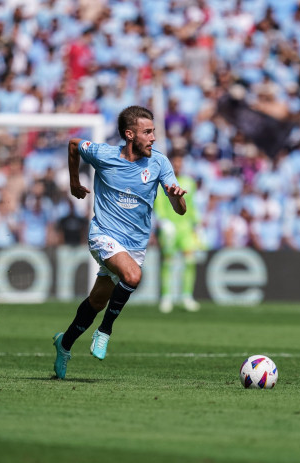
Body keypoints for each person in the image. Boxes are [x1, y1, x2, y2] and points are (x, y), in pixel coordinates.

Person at [52, 106, 188, 379]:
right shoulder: (104, 155)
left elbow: (181, 209)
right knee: (133, 276)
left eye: (153, 131)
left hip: (134, 245)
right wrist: (74, 183)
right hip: (103, 235)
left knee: (97, 300)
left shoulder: (159, 163)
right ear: (129, 134)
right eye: (147, 132)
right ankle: (105, 331)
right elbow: (74, 144)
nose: (153, 137)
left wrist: (175, 196)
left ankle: (64, 343)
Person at [154, 151, 201, 313]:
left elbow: (192, 205)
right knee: (168, 262)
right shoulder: (163, 183)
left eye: (180, 163)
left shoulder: (189, 182)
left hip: (186, 228)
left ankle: (186, 296)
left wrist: (197, 224)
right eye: (175, 163)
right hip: (170, 227)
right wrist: (162, 221)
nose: (178, 166)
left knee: (190, 261)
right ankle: (166, 297)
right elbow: (159, 204)